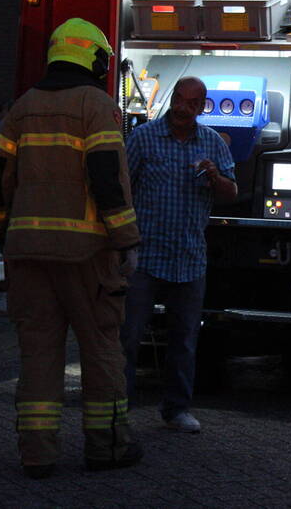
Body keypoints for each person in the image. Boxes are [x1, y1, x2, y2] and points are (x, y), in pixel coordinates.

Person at [0, 18, 142, 478]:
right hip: (87, 258)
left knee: (38, 355)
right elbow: (107, 178)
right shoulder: (96, 104)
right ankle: (107, 447)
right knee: (101, 352)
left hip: (28, 257)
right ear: (93, 58)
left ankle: (37, 455)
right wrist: (127, 240)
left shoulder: (23, 107)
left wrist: (5, 233)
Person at [121, 76, 236, 433]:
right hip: (146, 256)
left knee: (184, 340)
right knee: (128, 336)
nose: (182, 108)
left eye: (191, 103)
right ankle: (116, 409)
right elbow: (122, 186)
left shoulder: (212, 142)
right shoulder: (143, 138)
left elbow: (231, 193)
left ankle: (177, 410)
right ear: (172, 99)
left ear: (202, 106)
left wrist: (216, 177)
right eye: (178, 99)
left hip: (189, 258)